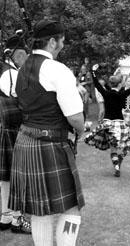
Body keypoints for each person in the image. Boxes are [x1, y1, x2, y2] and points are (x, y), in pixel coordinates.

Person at [9, 20, 85, 246]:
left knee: (39, 212)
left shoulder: (21, 70)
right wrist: (80, 130)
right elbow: (74, 117)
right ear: (53, 41)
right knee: (71, 209)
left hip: (25, 141)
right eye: (62, 40)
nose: (63, 45)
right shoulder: (57, 69)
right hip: (50, 143)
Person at [85, 68, 130, 177]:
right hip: (119, 124)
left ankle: (116, 166)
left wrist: (93, 72)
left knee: (113, 149)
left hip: (108, 125)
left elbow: (96, 84)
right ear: (120, 84)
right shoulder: (121, 94)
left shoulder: (106, 93)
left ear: (110, 84)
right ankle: (119, 159)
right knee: (125, 144)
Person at [0, 34, 31, 234]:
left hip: (5, 129)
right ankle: (17, 220)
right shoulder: (12, 74)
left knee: (5, 178)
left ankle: (5, 216)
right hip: (13, 130)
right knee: (17, 176)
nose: (28, 59)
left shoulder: (4, 71)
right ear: (18, 55)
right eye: (26, 55)